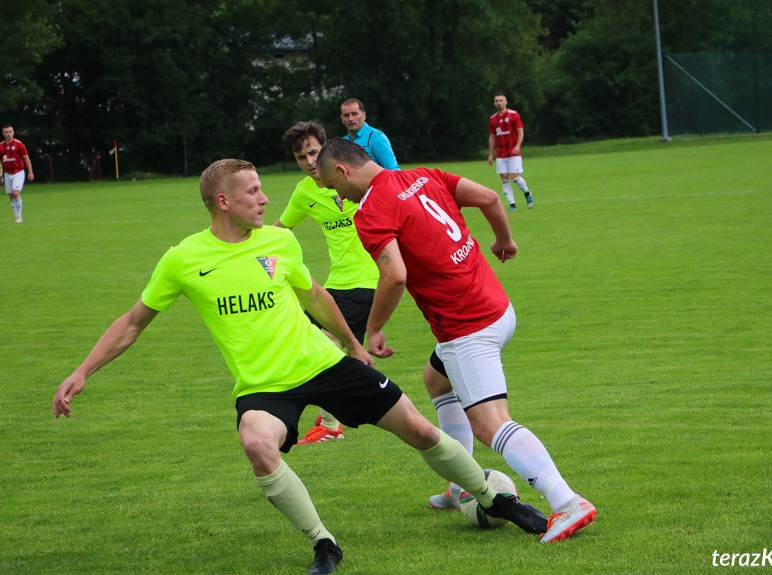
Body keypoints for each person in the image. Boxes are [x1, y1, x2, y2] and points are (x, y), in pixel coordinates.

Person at [53, 158, 550, 575]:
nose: (265, 198)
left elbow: (314, 295)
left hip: (323, 362)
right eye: (253, 191)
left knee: (420, 430)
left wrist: (355, 347)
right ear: (223, 201)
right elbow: (133, 322)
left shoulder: (279, 242)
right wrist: (81, 371)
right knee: (255, 442)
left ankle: (493, 498)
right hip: (264, 386)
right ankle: (323, 544)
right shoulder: (184, 259)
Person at [317, 139, 596, 544]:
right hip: (498, 308)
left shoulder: (372, 210)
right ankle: (457, 486)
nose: (334, 194)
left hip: (467, 326)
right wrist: (503, 239)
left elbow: (395, 275)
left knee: (490, 425)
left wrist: (373, 328)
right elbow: (487, 197)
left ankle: (567, 501)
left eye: (331, 185)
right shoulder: (423, 175)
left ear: (343, 171)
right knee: (436, 379)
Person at [274, 121, 380, 445]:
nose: (308, 162)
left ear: (327, 149)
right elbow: (280, 229)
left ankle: (337, 420)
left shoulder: (354, 175)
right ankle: (335, 417)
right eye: (300, 157)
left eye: (313, 153)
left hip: (367, 280)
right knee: (310, 340)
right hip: (335, 283)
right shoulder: (304, 192)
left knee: (324, 345)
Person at [488, 93, 534, 211]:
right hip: (500, 154)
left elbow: (520, 131)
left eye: (501, 100)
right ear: (494, 103)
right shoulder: (493, 119)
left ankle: (527, 193)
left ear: (506, 102)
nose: (499, 102)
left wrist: (518, 145)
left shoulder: (514, 115)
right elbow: (492, 136)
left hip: (513, 152)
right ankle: (512, 205)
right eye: (497, 100)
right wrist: (490, 154)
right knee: (504, 178)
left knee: (515, 177)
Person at [340, 99, 400, 170]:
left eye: (354, 114)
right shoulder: (342, 142)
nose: (350, 118)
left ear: (364, 115)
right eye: (346, 115)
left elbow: (392, 170)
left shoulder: (376, 137)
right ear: (342, 119)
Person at [1, 124, 34, 223]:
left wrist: (30, 172)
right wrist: (1, 175)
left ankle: (19, 217)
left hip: (18, 172)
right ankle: (17, 217)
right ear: (3, 133)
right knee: (11, 195)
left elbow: (26, 158)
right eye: (6, 132)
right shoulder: (1, 146)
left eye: (10, 131)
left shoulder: (19, 144)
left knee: (16, 193)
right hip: (7, 173)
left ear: (13, 132)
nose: (8, 134)